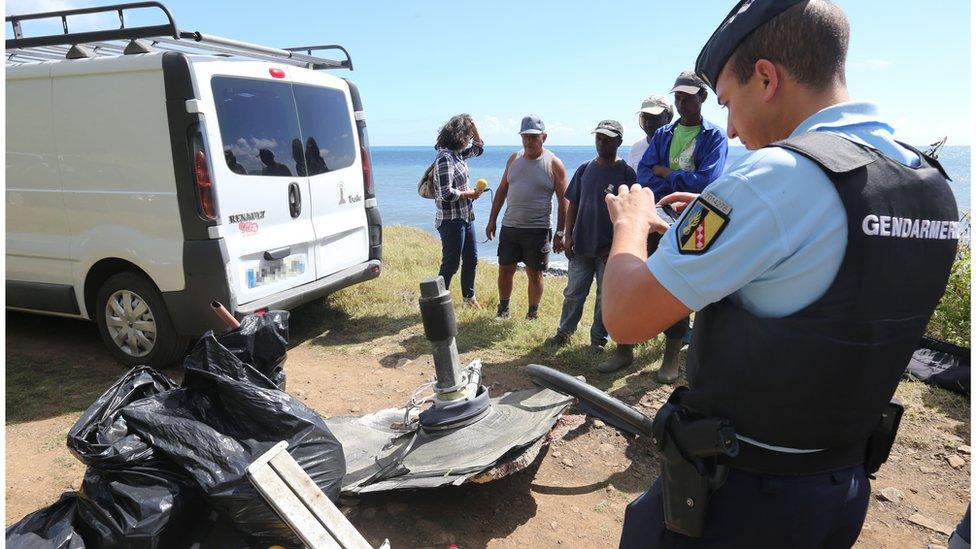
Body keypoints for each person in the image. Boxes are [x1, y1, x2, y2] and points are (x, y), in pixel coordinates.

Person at [603, 1, 959, 546]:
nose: (732, 128)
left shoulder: (771, 178)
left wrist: (631, 224)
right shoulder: (928, 182)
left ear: (766, 77)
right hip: (840, 485)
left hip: (742, 495)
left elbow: (626, 318)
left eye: (728, 102)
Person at [629, 70, 729, 380]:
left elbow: (707, 181)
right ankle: (624, 346)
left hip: (694, 217)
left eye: (688, 97)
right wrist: (668, 176)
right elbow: (643, 174)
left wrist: (666, 173)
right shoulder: (663, 135)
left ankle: (671, 356)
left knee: (680, 283)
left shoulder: (714, 136)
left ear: (702, 97)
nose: (682, 103)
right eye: (678, 97)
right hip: (658, 214)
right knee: (639, 275)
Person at [544, 120, 637, 373]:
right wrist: (568, 235)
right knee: (573, 292)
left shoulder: (626, 174)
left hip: (608, 251)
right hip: (581, 246)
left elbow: (629, 215)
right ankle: (564, 333)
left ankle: (598, 341)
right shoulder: (585, 169)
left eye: (607, 139)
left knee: (603, 298)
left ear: (619, 141)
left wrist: (617, 246)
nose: (602, 143)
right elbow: (572, 202)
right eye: (598, 138)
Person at [486, 116, 568, 320]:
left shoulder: (553, 163)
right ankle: (503, 310)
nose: (528, 141)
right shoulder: (514, 158)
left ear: (544, 137)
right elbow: (502, 190)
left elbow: (564, 201)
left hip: (537, 229)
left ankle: (532, 314)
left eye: (533, 137)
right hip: (510, 226)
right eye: (525, 137)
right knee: (505, 269)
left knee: (534, 273)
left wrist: (560, 233)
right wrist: (492, 219)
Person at [433, 114, 485, 307]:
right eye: (468, 136)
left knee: (471, 259)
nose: (470, 140)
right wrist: (468, 194)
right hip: (450, 219)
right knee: (451, 263)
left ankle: (468, 299)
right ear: (459, 136)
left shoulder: (458, 154)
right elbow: (445, 192)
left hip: (465, 216)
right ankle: (437, 301)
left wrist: (474, 126)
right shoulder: (445, 157)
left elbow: (479, 149)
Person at [628, 95, 674, 171]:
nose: (649, 124)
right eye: (645, 118)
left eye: (654, 118)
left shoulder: (678, 144)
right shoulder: (636, 148)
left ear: (668, 117)